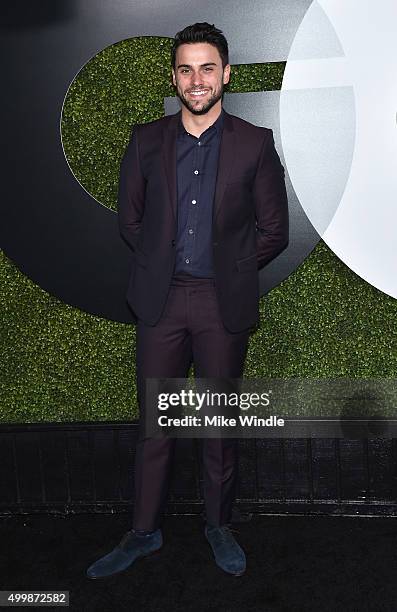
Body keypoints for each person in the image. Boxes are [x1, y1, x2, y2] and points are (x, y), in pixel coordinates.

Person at [86, 22, 288, 579]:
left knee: (218, 427)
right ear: (174, 77)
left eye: (206, 68)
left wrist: (232, 272)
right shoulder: (146, 140)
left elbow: (275, 230)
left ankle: (219, 526)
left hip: (223, 306)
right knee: (156, 425)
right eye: (184, 69)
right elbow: (131, 220)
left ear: (227, 74)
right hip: (161, 304)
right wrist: (158, 265)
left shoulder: (254, 143)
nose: (195, 80)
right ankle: (143, 532)